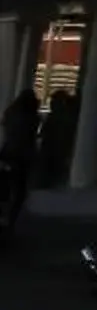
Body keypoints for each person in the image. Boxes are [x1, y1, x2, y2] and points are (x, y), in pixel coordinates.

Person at [1, 86, 38, 228]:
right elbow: (31, 137)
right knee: (19, 190)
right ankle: (10, 219)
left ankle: (6, 215)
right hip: (22, 156)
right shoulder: (31, 117)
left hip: (8, 153)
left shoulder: (11, 112)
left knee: (6, 185)